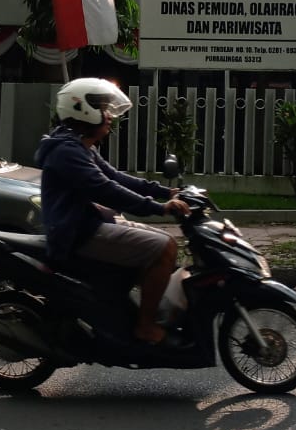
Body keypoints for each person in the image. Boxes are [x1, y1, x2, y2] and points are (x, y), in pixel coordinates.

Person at [35, 77, 191, 346]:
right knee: (164, 246)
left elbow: (116, 177)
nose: (109, 116)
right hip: (77, 233)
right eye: (103, 109)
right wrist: (158, 207)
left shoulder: (78, 146)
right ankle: (145, 327)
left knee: (157, 247)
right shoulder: (68, 151)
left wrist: (168, 193)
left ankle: (135, 313)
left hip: (86, 225)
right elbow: (106, 189)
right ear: (83, 110)